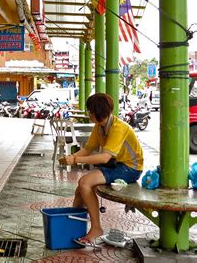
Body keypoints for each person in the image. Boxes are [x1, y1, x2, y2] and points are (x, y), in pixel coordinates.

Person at [59, 93, 143, 246]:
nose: (88, 114)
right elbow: (88, 149)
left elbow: (104, 157)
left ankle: (96, 228)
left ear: (97, 112)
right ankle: (72, 224)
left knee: (84, 182)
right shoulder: (100, 127)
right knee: (80, 190)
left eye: (90, 111)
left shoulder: (118, 128)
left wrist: (76, 160)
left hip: (130, 168)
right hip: (116, 164)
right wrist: (71, 157)